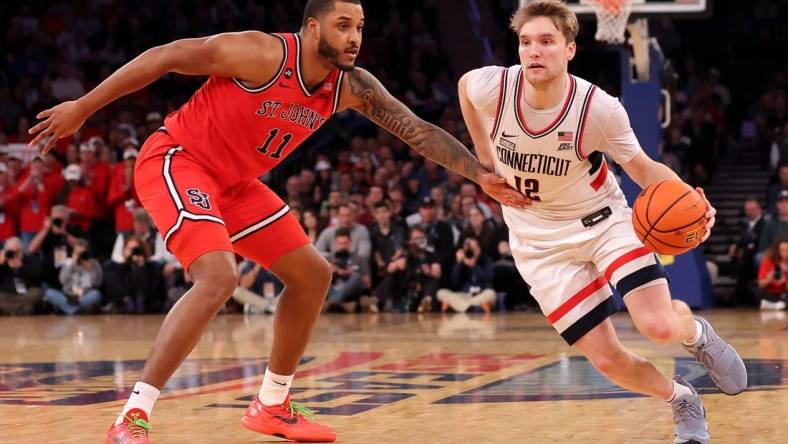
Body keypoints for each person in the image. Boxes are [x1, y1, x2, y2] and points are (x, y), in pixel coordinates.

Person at [28, 1, 527, 442]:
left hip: (237, 184)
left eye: (360, 26)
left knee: (312, 275)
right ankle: (132, 415)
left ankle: (272, 404)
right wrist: (83, 107)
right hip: (179, 160)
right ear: (312, 28)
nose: (354, 37)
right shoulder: (260, 54)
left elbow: (417, 131)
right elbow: (166, 56)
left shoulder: (351, 86)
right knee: (220, 275)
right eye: (342, 25)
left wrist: (479, 175)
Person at [456, 2, 745, 443]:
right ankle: (681, 397)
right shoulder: (492, 86)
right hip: (537, 243)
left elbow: (644, 170)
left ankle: (698, 333)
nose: (534, 51)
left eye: (546, 42)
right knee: (608, 360)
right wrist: (483, 161)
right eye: (526, 42)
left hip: (603, 222)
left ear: (569, 49)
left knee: (660, 326)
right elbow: (464, 88)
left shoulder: (598, 109)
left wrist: (691, 199)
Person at [756, 236, 788, 310]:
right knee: (758, 292)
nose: (785, 253)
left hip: (784, 293)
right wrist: (769, 279)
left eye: (787, 250)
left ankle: (773, 305)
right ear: (777, 250)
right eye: (782, 250)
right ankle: (779, 305)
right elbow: (761, 284)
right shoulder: (768, 262)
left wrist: (785, 282)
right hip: (770, 292)